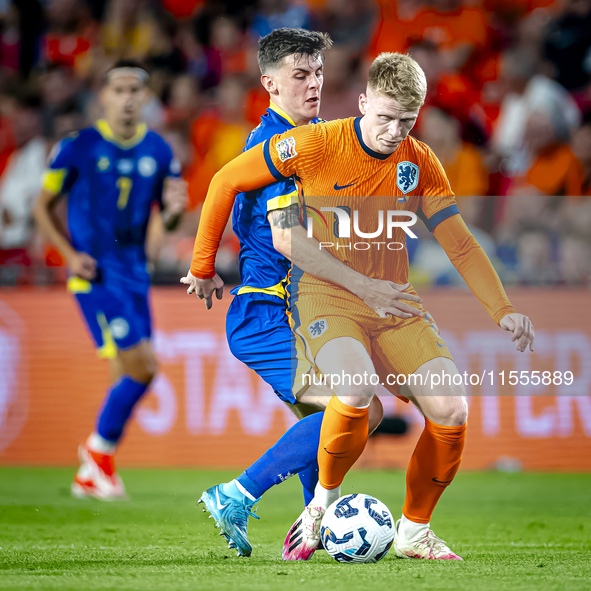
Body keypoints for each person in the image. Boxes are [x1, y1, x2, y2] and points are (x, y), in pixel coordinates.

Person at [183, 52, 535, 561]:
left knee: (452, 407)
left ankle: (413, 531)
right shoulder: (313, 145)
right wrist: (201, 265)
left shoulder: (420, 161)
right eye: (385, 117)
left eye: (407, 121)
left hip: (394, 304)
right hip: (323, 298)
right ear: (364, 102)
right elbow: (240, 195)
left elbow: (460, 245)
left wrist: (503, 310)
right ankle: (312, 505)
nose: (395, 131)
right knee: (356, 396)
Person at [183, 28, 402, 558]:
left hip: (299, 311)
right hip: (269, 313)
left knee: (327, 420)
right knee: (359, 408)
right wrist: (202, 264)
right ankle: (235, 494)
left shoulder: (315, 139)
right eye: (300, 75)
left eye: (319, 73)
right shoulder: (275, 150)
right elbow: (286, 238)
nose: (314, 84)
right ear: (269, 84)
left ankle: (314, 528)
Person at [34, 59, 187, 500]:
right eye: (118, 90)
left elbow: (169, 220)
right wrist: (68, 255)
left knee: (125, 370)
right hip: (97, 275)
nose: (126, 98)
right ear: (103, 96)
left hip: (135, 275)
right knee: (145, 367)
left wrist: (175, 213)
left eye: (135, 91)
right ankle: (96, 450)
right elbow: (42, 207)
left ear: (146, 98)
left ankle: (93, 474)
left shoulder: (159, 150)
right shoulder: (78, 146)